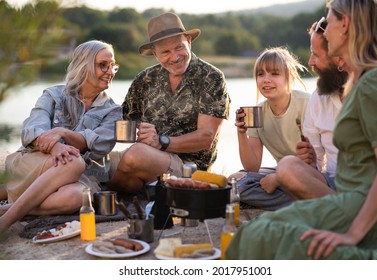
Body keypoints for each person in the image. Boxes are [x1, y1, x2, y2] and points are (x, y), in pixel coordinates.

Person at [226, 0, 377, 259]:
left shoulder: (375, 82)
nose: (327, 26)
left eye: (329, 19)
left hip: (361, 202)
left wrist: (354, 233)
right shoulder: (358, 82)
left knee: (259, 238)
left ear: (344, 24)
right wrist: (313, 162)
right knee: (253, 233)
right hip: (344, 195)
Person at [0, 40, 122, 234]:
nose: (110, 71)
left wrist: (63, 133)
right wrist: (56, 147)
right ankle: (6, 221)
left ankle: (9, 208)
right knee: (74, 162)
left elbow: (100, 144)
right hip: (34, 163)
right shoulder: (53, 94)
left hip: (81, 176)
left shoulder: (113, 111)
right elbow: (32, 129)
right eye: (102, 65)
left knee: (79, 197)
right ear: (83, 66)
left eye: (112, 65)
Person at [107, 12, 230, 193]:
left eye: (178, 47)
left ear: (188, 41)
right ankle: (118, 198)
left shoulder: (211, 77)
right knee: (94, 163)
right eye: (165, 52)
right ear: (155, 54)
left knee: (135, 155)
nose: (174, 57)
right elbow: (124, 127)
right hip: (149, 160)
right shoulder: (145, 79)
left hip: (191, 169)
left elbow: (206, 138)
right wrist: (139, 133)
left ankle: (104, 198)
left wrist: (161, 142)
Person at [276, 18, 348, 199]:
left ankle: (341, 213)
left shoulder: (375, 90)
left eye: (316, 54)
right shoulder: (319, 97)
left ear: (338, 57)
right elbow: (314, 163)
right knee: (287, 168)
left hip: (373, 185)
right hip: (331, 184)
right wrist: (308, 159)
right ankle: (342, 209)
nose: (310, 62)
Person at [231, 46, 311, 210]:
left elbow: (315, 160)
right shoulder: (258, 112)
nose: (266, 79)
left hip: (311, 172)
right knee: (236, 182)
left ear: (289, 78)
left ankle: (300, 199)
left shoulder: (307, 104)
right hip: (281, 171)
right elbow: (252, 167)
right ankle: (298, 200)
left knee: (244, 188)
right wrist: (241, 133)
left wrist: (277, 178)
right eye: (261, 74)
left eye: (274, 74)